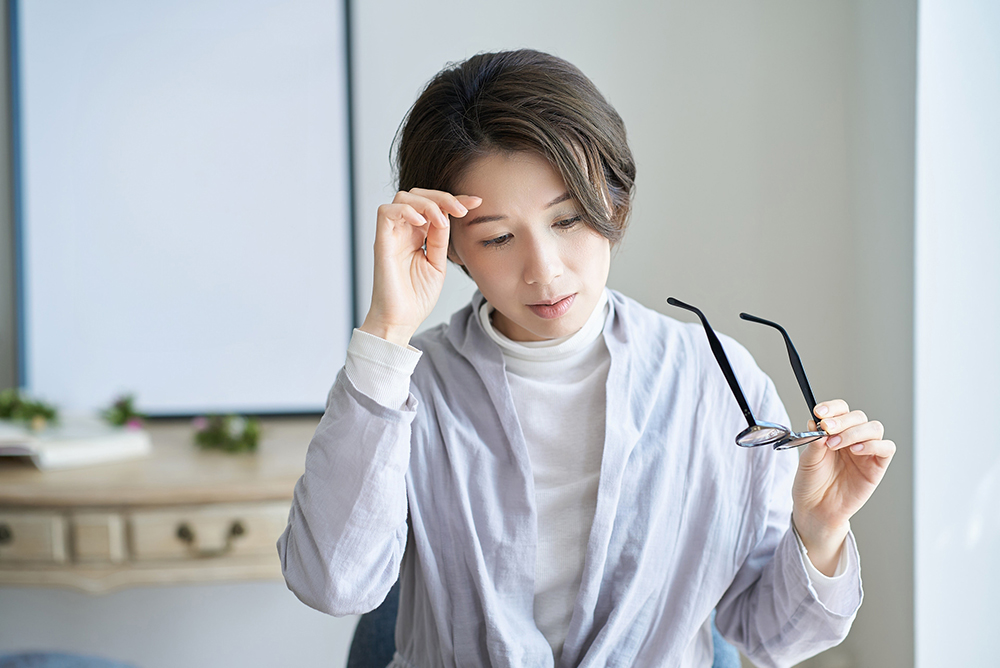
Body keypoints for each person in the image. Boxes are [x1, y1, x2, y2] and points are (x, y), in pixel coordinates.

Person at [277, 49, 895, 668]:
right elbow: (333, 584)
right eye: (496, 237)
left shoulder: (714, 383)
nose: (544, 271)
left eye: (568, 219)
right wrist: (386, 330)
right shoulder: (413, 390)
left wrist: (819, 531)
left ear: (613, 202)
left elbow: (770, 637)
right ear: (451, 246)